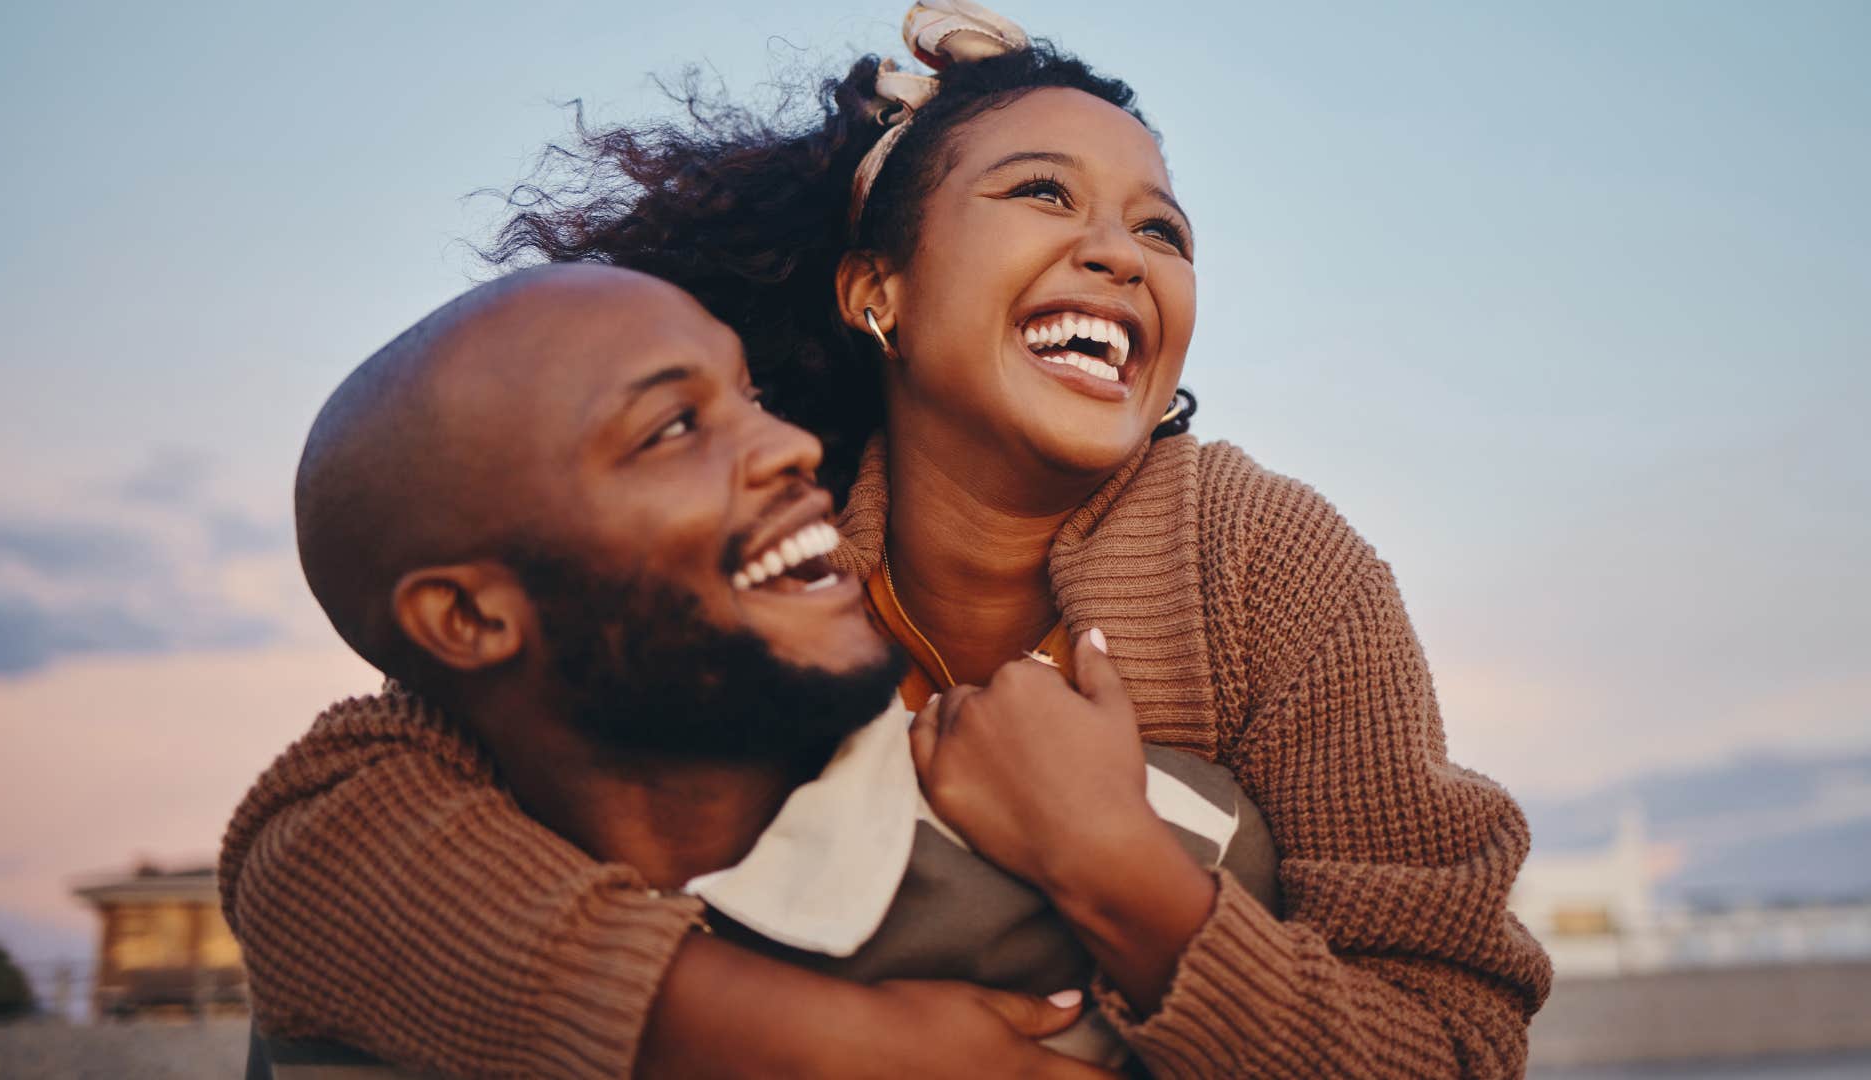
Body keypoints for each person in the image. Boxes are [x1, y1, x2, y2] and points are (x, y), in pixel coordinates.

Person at [223, 3, 1551, 1077]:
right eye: (1044, 193)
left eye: (1162, 229)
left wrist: (1120, 872)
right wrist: (804, 1040)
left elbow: (1454, 1039)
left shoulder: (1271, 566)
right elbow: (324, 834)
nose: (1120, 253)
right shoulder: (767, 524)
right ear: (878, 291)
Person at [233, 260, 1279, 1078]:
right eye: (674, 427)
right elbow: (299, 841)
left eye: (750, 395)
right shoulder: (357, 994)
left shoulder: (1170, 844)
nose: (789, 448)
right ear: (466, 617)